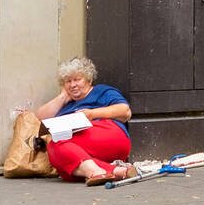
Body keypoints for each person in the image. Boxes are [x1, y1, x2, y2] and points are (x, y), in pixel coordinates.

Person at [35, 57, 137, 185]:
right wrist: (62, 97)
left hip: (109, 135)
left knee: (56, 143)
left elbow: (125, 111)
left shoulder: (101, 91)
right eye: (68, 81)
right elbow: (40, 118)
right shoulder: (66, 104)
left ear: (88, 80)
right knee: (66, 170)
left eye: (77, 79)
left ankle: (98, 171)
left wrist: (92, 114)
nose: (72, 85)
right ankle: (117, 171)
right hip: (82, 147)